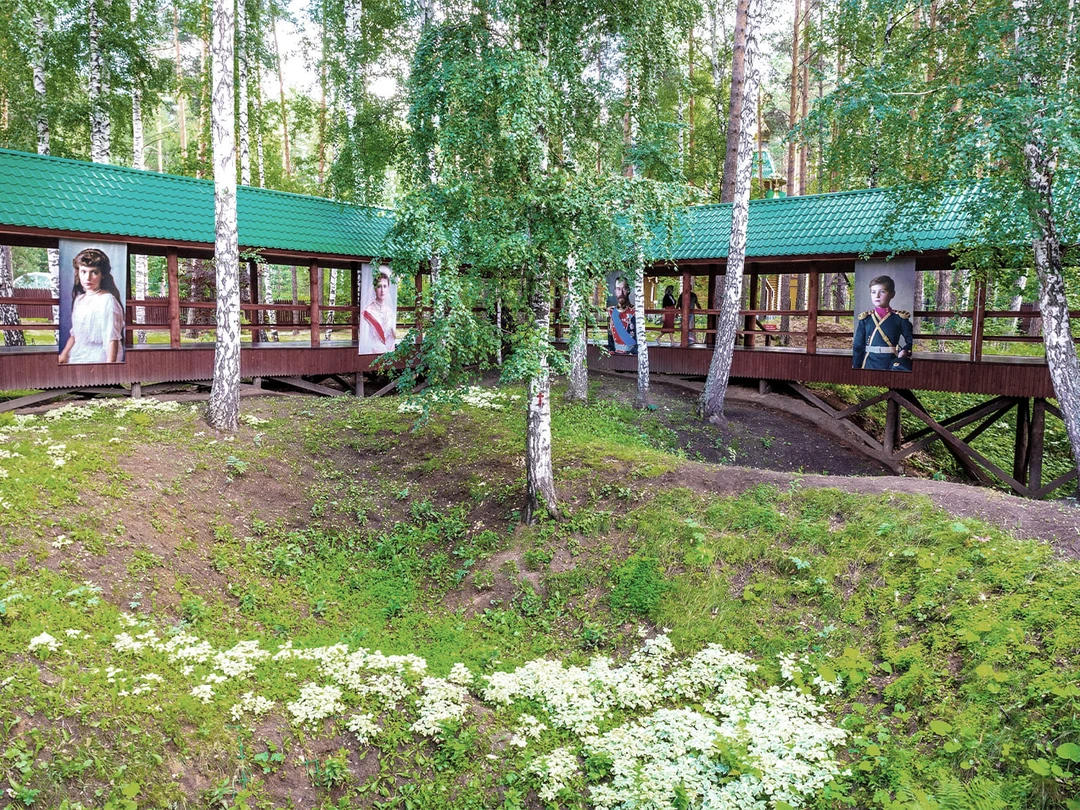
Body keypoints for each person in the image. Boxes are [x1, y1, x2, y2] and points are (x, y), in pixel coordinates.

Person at [58, 248, 124, 364]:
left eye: (94, 272)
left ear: (103, 275)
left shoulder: (108, 301)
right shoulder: (79, 299)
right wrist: (63, 355)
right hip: (77, 354)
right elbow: (75, 335)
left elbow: (112, 339)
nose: (87, 278)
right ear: (78, 273)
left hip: (99, 358)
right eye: (83, 272)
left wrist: (110, 368)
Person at [852, 274, 913, 371]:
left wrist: (905, 350)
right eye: (873, 292)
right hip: (869, 362)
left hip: (890, 363)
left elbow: (912, 341)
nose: (877, 296)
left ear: (892, 294)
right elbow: (858, 347)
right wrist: (855, 367)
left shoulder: (899, 318)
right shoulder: (865, 319)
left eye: (882, 291)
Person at [359, 270, 397, 354]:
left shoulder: (390, 312)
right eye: (379, 286)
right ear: (374, 288)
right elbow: (365, 339)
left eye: (385, 286)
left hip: (389, 353)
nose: (382, 290)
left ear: (388, 288)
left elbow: (392, 336)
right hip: (372, 353)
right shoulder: (368, 312)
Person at [607, 276, 637, 355]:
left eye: (624, 289)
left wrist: (633, 353)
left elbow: (638, 337)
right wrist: (611, 350)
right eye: (618, 289)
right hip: (616, 353)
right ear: (615, 291)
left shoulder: (634, 312)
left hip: (631, 354)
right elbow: (610, 335)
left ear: (628, 290)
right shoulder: (611, 312)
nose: (621, 293)